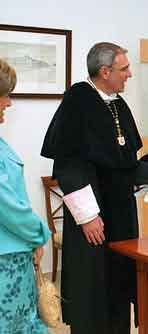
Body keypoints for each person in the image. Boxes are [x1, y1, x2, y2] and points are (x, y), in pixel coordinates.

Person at [40, 42, 142, 334]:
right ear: (105, 71)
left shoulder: (116, 102)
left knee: (119, 282)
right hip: (92, 218)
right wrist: (87, 216)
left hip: (120, 215)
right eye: (124, 69)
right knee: (93, 288)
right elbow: (68, 165)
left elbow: (124, 157)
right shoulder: (78, 101)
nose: (129, 74)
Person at [0, 58, 51, 333]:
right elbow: (6, 205)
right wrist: (39, 234)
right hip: (6, 259)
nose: (9, 103)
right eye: (6, 95)